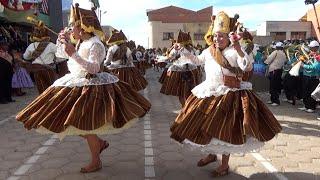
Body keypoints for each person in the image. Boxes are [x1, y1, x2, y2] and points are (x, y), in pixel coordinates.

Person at [16, 4, 151, 173]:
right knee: (70, 122)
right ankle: (99, 145)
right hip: (75, 83)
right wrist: (63, 42)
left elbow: (94, 68)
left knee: (85, 125)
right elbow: (61, 55)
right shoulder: (81, 41)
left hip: (91, 87)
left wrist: (74, 54)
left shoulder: (95, 44)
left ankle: (96, 160)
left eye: (74, 27)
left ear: (84, 28)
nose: (72, 29)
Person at [169, 11, 282, 177]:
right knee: (204, 127)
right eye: (215, 36)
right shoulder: (209, 51)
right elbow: (196, 61)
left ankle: (224, 165)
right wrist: (184, 50)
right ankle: (211, 154)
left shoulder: (234, 50)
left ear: (229, 37)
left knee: (226, 130)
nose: (217, 39)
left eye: (221, 36)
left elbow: (247, 67)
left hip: (229, 95)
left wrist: (238, 48)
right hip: (209, 92)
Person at [160, 30, 202, 106]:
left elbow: (169, 57)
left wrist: (168, 55)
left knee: (182, 93)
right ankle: (187, 107)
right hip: (192, 72)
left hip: (181, 73)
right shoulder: (193, 49)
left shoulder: (177, 49)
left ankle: (185, 107)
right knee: (190, 92)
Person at [22, 25, 59, 94]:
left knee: (41, 90)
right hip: (48, 69)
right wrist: (54, 60)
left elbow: (25, 57)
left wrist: (33, 56)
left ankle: (44, 103)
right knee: (51, 89)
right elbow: (60, 58)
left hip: (37, 70)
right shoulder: (51, 45)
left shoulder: (31, 46)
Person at [298, 40, 320, 113]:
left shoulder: (318, 55)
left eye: (312, 48)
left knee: (311, 92)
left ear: (316, 48)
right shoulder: (311, 54)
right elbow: (308, 62)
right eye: (310, 47)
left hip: (313, 77)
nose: (310, 49)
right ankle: (306, 106)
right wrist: (302, 60)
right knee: (305, 92)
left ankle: (311, 107)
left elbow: (315, 67)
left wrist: (304, 65)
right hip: (306, 75)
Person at [264, 42, 287, 106]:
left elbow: (268, 60)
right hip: (279, 70)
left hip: (274, 70)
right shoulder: (284, 53)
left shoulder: (276, 52)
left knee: (273, 86)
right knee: (276, 85)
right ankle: (273, 100)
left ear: (277, 47)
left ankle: (275, 101)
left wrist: (265, 60)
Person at [0, 36, 15, 103]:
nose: (7, 47)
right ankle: (2, 99)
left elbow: (12, 62)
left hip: (9, 71)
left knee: (8, 84)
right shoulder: (0, 53)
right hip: (1, 72)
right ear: (1, 46)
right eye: (5, 45)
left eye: (7, 45)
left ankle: (8, 97)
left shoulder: (9, 53)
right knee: (2, 85)